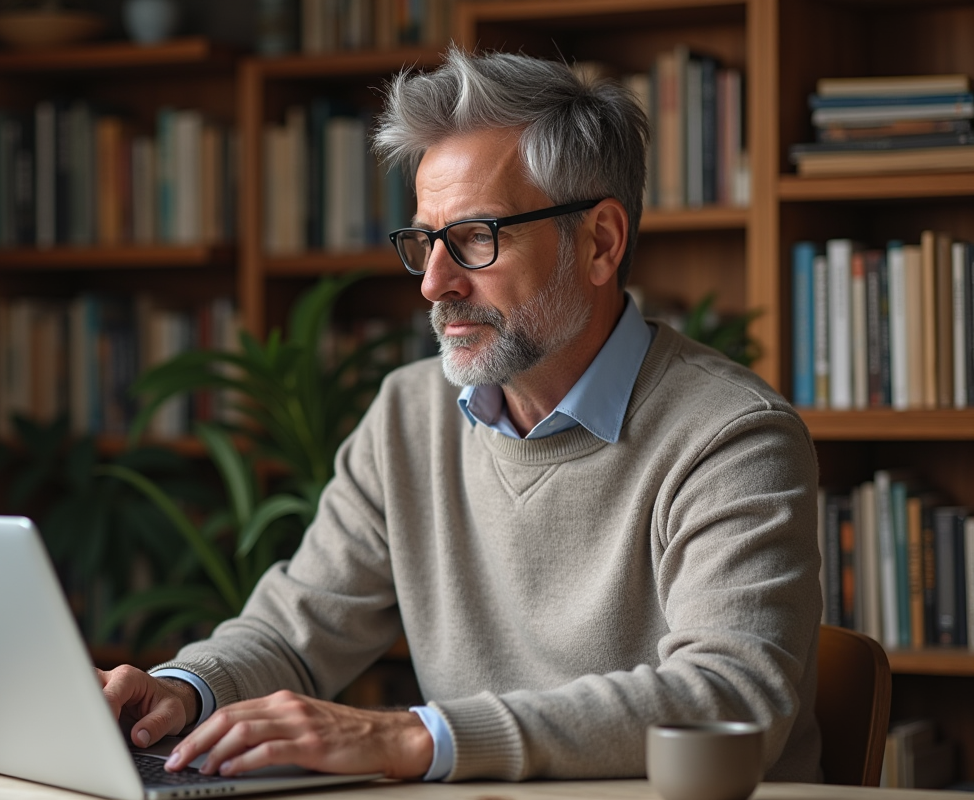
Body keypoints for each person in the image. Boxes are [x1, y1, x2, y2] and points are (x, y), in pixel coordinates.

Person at [99, 48, 822, 783]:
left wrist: (418, 737)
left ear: (600, 242)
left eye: (477, 237)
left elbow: (732, 698)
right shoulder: (408, 417)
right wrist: (183, 691)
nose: (434, 284)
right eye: (424, 242)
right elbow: (295, 630)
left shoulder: (731, 436)